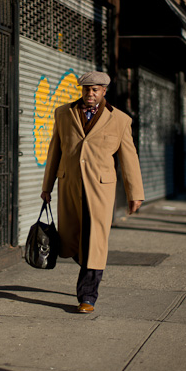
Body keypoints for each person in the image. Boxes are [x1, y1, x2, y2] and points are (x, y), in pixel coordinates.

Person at [40, 71, 145, 313]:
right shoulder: (64, 114)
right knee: (70, 240)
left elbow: (129, 158)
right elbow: (54, 150)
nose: (90, 93)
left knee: (96, 242)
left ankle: (88, 295)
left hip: (101, 189)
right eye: (87, 89)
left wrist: (134, 193)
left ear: (104, 91)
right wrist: (47, 187)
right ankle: (87, 265)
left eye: (95, 89)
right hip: (69, 186)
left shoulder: (120, 120)